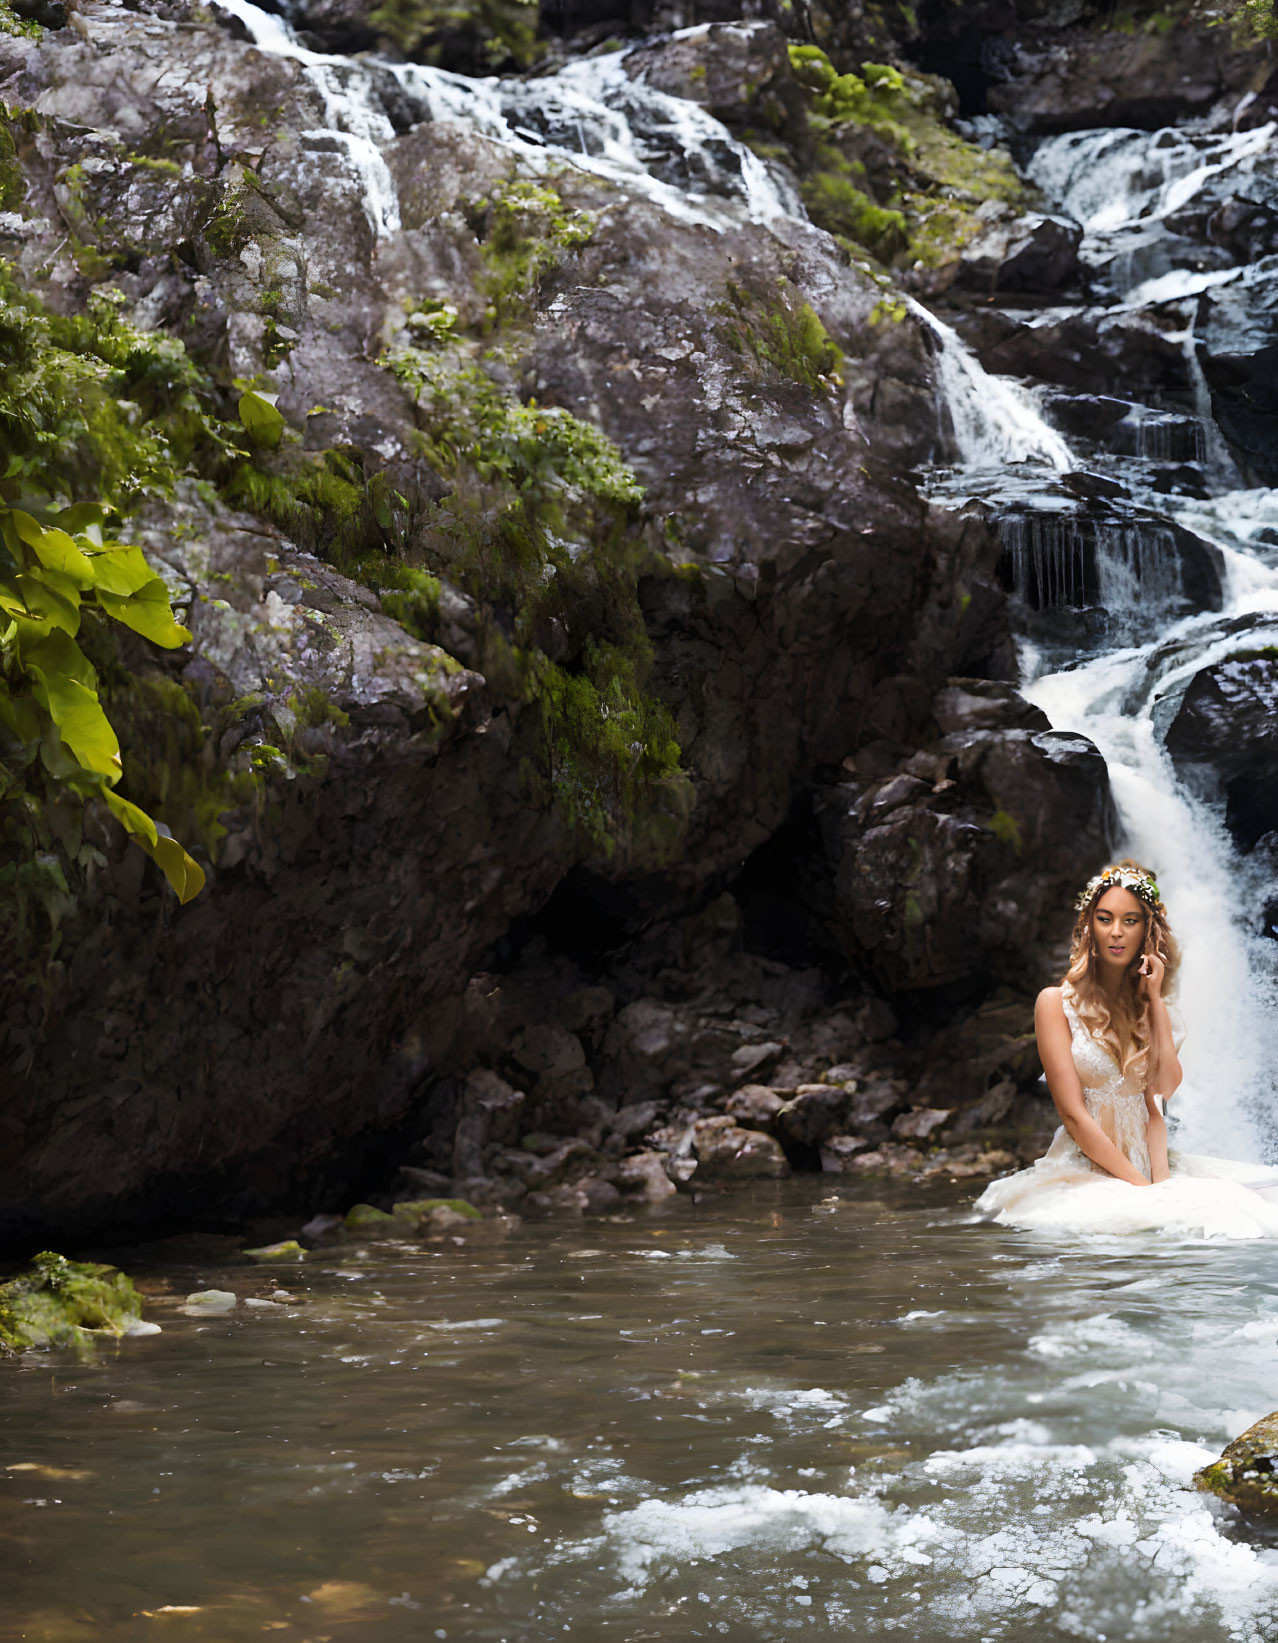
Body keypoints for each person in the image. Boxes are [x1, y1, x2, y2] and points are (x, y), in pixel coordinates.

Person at [976, 860, 1278, 1239]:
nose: (1116, 932)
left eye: (1130, 921)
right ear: (1089, 926)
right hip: (1084, 1172)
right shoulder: (1054, 1004)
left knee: (1232, 1225)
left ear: (1147, 931)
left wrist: (1160, 1185)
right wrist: (1138, 1189)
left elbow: (1160, 1100)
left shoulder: (1156, 1010)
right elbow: (1072, 1114)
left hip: (1149, 1168)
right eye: (1105, 919)